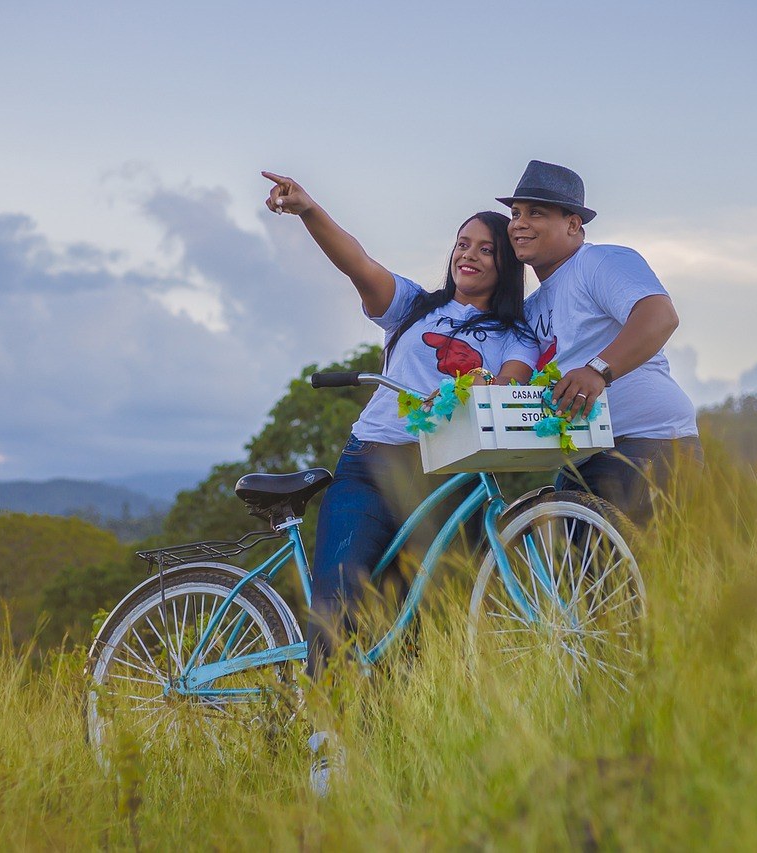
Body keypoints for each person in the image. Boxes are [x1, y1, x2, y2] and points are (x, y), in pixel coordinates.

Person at [263, 171, 539, 793]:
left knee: (416, 623)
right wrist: (309, 210)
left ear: (505, 266)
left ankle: (390, 754)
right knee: (341, 596)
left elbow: (510, 389)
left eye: (485, 248)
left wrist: (493, 391)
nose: (468, 254)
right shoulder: (415, 306)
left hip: (445, 476)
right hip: (373, 462)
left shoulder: (517, 336)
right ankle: (322, 744)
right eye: (462, 243)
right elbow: (356, 261)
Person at [497, 160, 700, 527]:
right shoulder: (531, 307)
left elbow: (659, 315)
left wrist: (598, 370)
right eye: (515, 213)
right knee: (579, 580)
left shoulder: (598, 261)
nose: (519, 223)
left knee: (631, 579)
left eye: (536, 213)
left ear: (574, 224)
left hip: (644, 445)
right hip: (585, 454)